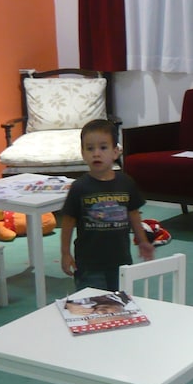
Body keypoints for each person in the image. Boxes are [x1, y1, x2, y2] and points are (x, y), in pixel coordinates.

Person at [60, 119, 154, 291]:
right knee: (91, 303)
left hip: (121, 261)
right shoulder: (79, 187)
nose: (96, 154)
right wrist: (65, 253)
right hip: (89, 264)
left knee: (120, 301)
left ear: (115, 152)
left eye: (103, 148)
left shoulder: (126, 183)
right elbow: (68, 221)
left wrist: (142, 241)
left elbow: (133, 214)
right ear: (83, 153)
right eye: (90, 148)